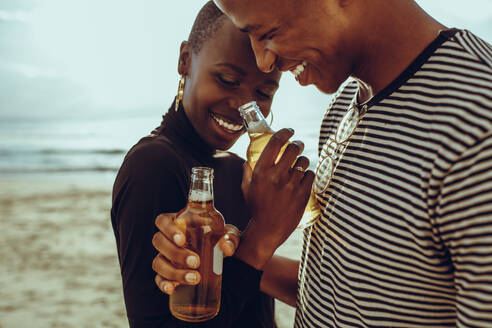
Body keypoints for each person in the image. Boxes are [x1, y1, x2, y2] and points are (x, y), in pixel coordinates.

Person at [153, 0, 492, 327]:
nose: (264, 61)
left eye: (267, 32)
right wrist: (217, 256)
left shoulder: (477, 123)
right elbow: (343, 291)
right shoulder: (346, 103)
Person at [110, 2, 284, 327]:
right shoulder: (152, 167)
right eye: (228, 80)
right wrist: (262, 238)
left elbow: (254, 294)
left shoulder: (235, 169)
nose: (243, 107)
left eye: (263, 92)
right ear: (185, 60)